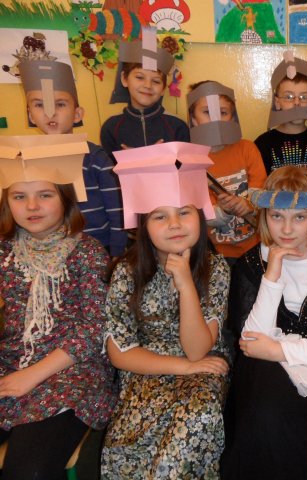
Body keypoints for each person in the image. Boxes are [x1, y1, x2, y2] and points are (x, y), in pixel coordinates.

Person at [101, 142, 231, 478]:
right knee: (127, 450)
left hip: (202, 371)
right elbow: (120, 352)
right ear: (143, 225)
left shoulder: (215, 268)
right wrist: (182, 367)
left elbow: (198, 350)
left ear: (200, 216)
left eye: (184, 212)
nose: (174, 224)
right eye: (160, 216)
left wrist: (186, 284)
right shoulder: (127, 271)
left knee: (195, 420)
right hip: (145, 371)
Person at [221, 166, 307, 479]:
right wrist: (272, 274)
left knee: (303, 420)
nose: (286, 229)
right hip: (261, 367)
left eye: (299, 217)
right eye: (276, 216)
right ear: (264, 216)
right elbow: (252, 341)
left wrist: (280, 351)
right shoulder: (249, 264)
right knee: (266, 414)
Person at [0, 135, 116, 480]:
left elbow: (94, 329)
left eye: (45, 195)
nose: (32, 206)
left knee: (29, 470)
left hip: (72, 373)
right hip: (12, 364)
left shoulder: (86, 252)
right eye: (19, 196)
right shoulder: (4, 251)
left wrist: (32, 375)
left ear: (66, 199)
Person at [18, 59, 127, 257]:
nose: (50, 113)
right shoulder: (26, 161)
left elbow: (117, 209)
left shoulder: (96, 159)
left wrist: (118, 252)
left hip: (99, 248)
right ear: (31, 116)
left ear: (77, 114)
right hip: (50, 252)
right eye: (39, 105)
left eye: (60, 104)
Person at [187, 80, 267, 265]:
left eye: (223, 113)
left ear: (232, 117)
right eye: (207, 112)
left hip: (254, 246)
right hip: (213, 253)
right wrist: (223, 211)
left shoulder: (247, 149)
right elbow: (196, 211)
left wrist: (249, 204)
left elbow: (262, 190)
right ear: (193, 119)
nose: (216, 119)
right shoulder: (190, 160)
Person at [100, 32, 189, 158]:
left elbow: (184, 166)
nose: (148, 85)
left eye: (156, 81)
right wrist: (133, 160)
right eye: (140, 77)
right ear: (124, 79)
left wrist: (161, 159)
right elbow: (108, 167)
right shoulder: (111, 128)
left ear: (163, 88)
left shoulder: (177, 126)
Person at [254, 52, 307, 173]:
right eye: (289, 97)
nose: (297, 102)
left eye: (304, 97)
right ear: (277, 102)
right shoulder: (263, 144)